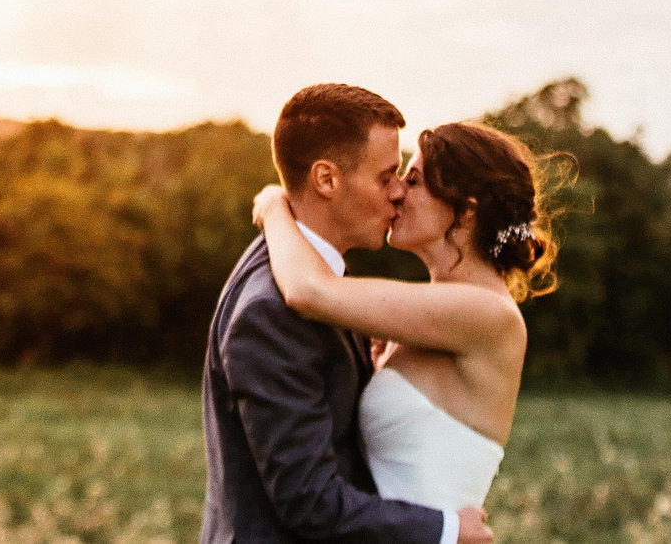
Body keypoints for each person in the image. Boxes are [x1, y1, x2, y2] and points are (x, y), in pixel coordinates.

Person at [201, 84, 498, 544]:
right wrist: (445, 530)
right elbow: (309, 501)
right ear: (326, 180)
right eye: (386, 176)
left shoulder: (321, 279)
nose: (399, 191)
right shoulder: (271, 312)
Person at [249, 114, 557, 521]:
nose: (395, 192)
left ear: (465, 212)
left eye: (413, 181)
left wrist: (274, 207)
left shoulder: (486, 312)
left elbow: (308, 291)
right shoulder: (431, 311)